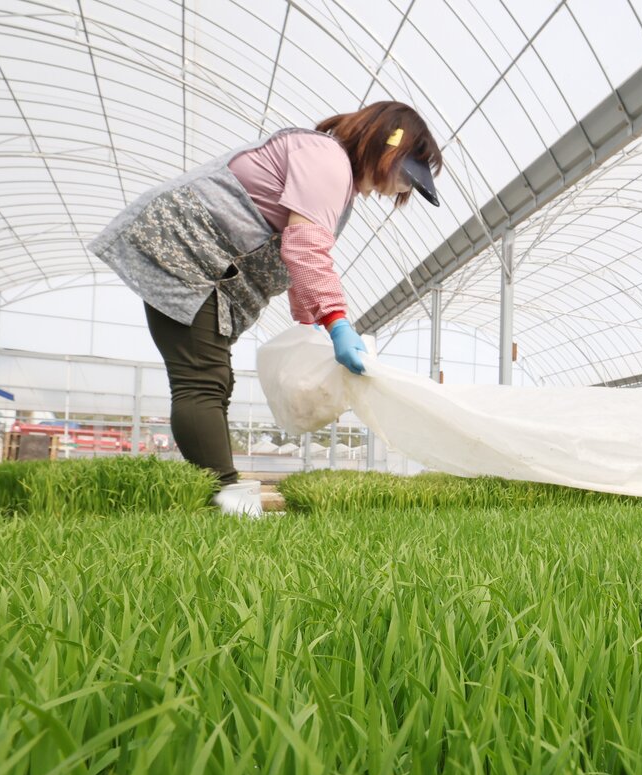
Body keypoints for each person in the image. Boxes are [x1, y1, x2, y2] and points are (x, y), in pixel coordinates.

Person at [90, 101, 442, 514]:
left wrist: (314, 319)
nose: (401, 190)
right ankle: (227, 501)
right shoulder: (328, 160)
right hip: (186, 255)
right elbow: (306, 248)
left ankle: (218, 496)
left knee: (214, 380)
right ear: (389, 148)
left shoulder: (332, 170)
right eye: (405, 176)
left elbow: (293, 251)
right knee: (202, 380)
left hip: (205, 267)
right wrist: (336, 321)